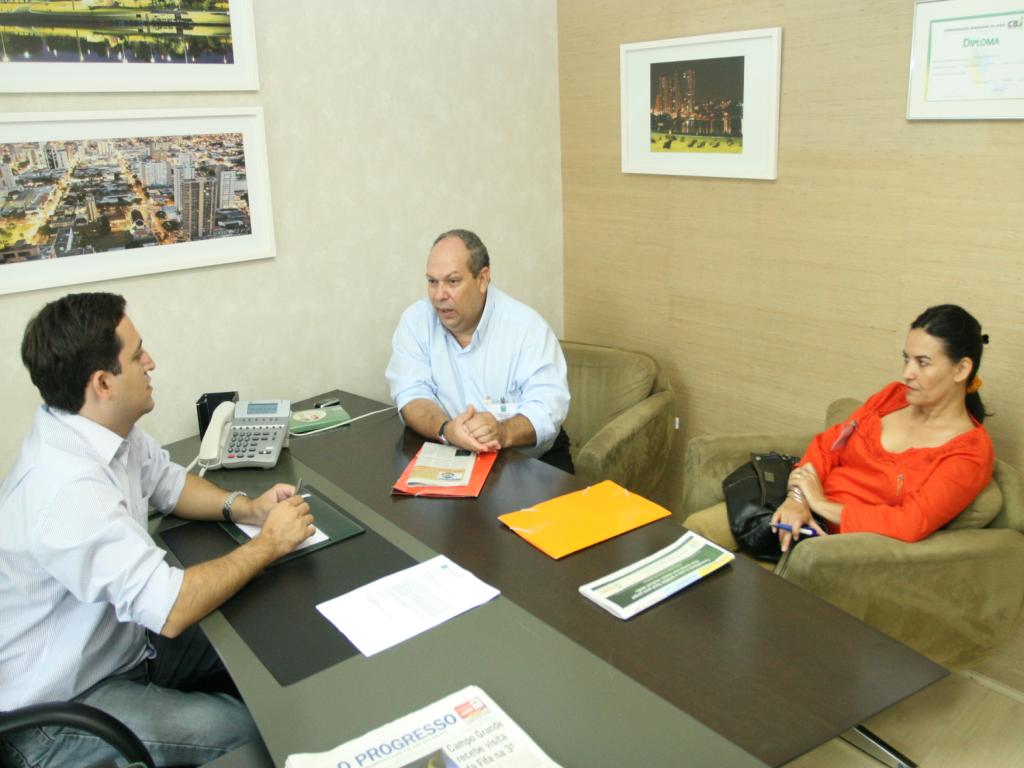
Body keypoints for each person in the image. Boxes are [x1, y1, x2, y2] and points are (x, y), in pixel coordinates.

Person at [0, 292, 315, 768]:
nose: (152, 362)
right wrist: (269, 544)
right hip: (62, 708)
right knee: (255, 731)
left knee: (270, 634)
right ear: (103, 382)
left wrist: (248, 509)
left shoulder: (106, 429)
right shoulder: (64, 488)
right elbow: (170, 608)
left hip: (121, 645)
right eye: (137, 354)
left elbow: (169, 485)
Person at [685, 304, 994, 555]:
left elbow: (910, 522)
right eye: (906, 358)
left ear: (962, 369)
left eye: (923, 363)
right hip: (799, 509)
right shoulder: (892, 398)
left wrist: (821, 504)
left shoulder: (969, 452)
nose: (907, 373)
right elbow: (827, 446)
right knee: (695, 532)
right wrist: (796, 499)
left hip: (839, 546)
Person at [385, 229, 573, 472]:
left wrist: (502, 431)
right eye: (432, 282)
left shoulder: (527, 328)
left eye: (452, 281)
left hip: (526, 460)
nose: (439, 295)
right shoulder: (415, 322)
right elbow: (411, 394)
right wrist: (446, 429)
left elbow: (548, 406)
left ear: (482, 279)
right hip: (450, 453)